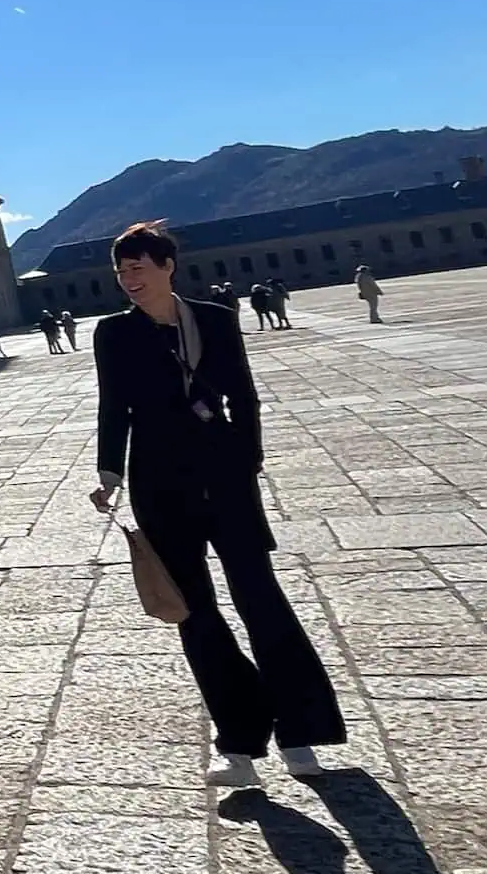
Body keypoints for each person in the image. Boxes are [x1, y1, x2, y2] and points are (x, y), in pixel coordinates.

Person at [87, 225, 347, 791]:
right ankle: (239, 744)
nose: (130, 280)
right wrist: (110, 472)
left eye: (139, 268)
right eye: (122, 271)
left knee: (261, 599)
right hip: (160, 483)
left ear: (167, 266)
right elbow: (114, 407)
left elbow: (245, 395)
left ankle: (301, 733)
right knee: (196, 614)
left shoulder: (216, 319)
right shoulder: (114, 333)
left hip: (225, 477)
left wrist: (248, 458)